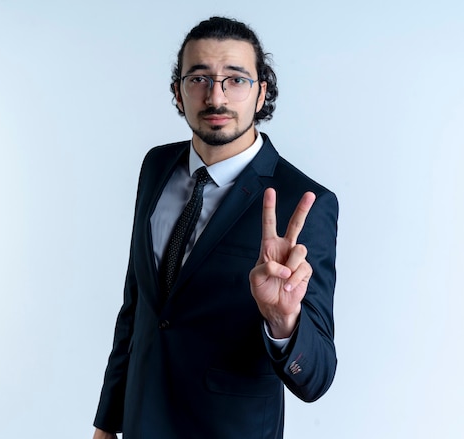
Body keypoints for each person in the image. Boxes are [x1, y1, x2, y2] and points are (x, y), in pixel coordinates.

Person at [93, 16, 339, 439]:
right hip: (139, 423)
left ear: (262, 93)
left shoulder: (304, 202)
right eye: (199, 78)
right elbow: (136, 308)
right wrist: (107, 421)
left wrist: (285, 321)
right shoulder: (156, 167)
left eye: (236, 80)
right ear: (178, 92)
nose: (216, 96)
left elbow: (315, 377)